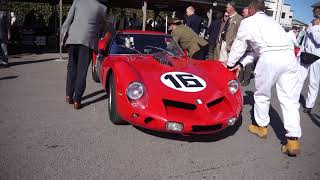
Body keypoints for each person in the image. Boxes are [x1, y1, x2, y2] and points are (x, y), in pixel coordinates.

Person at [227, 0, 301, 156]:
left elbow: (239, 45)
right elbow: (256, 51)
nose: (245, 11)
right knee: (290, 99)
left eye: (247, 9)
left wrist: (230, 64)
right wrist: (241, 63)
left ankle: (262, 128)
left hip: (270, 59)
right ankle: (293, 140)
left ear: (252, 9)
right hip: (289, 58)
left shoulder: (248, 22)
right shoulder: (273, 22)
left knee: (262, 95)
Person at [61, 0, 107, 110]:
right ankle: (77, 100)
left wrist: (62, 39)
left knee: (71, 68)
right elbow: (105, 28)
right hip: (87, 42)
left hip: (73, 39)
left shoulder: (77, 1)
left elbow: (67, 21)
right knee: (82, 72)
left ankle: (68, 95)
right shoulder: (102, 8)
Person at [298, 2, 320, 114]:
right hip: (306, 55)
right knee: (299, 78)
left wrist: (316, 26)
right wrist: (300, 51)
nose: (313, 11)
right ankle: (294, 98)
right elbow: (306, 40)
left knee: (313, 82)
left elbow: (318, 41)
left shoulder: (315, 24)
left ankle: (309, 105)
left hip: (317, 57)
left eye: (315, 9)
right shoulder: (311, 23)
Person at [238, 6, 254, 86]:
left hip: (249, 46)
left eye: (244, 12)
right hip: (242, 45)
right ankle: (240, 78)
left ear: (249, 12)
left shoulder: (252, 21)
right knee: (240, 63)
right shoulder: (243, 20)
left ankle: (246, 80)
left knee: (248, 65)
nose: (242, 13)